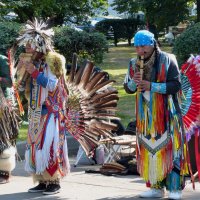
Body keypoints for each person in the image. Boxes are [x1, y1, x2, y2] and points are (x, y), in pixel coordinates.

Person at [124, 30, 188, 200]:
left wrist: (151, 86)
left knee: (171, 150)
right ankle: (155, 187)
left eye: (143, 46)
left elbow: (175, 85)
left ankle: (175, 189)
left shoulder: (168, 59)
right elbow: (128, 89)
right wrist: (133, 81)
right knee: (150, 151)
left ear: (152, 44)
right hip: (145, 117)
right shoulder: (132, 63)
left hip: (167, 114)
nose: (140, 51)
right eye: (137, 47)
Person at [15, 19, 70, 195]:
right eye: (26, 47)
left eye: (30, 46)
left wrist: (34, 72)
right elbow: (25, 89)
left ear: (39, 45)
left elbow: (53, 86)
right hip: (35, 111)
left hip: (51, 112)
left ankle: (54, 181)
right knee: (35, 146)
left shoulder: (53, 60)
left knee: (50, 145)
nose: (27, 50)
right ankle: (41, 180)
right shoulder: (32, 62)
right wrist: (22, 79)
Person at [0, 54, 20, 184]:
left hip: (3, 105)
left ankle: (5, 172)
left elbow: (11, 81)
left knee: (4, 138)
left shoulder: (2, 60)